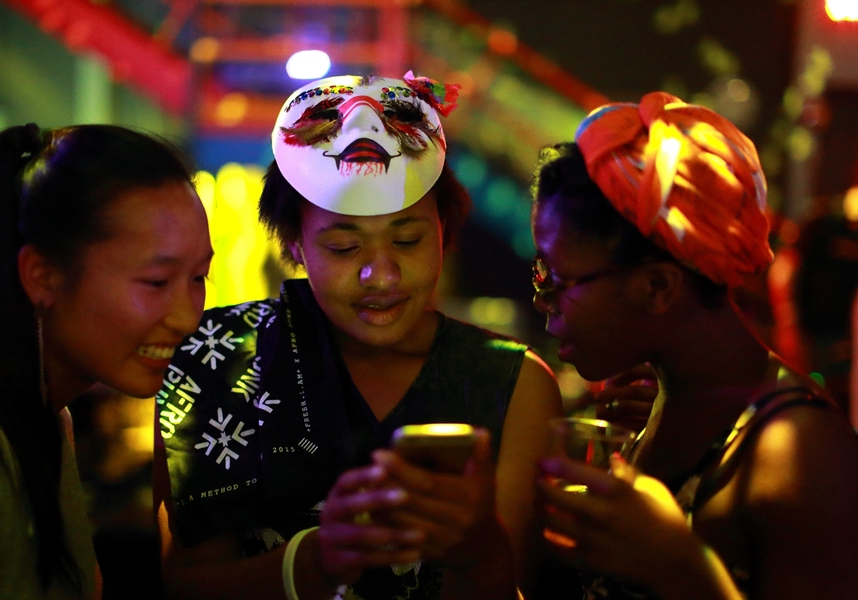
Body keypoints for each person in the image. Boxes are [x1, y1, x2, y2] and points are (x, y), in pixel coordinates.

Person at [154, 72, 563, 600]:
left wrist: (480, 552)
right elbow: (184, 583)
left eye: (409, 240)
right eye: (345, 248)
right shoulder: (219, 356)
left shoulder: (513, 383)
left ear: (445, 230)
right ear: (294, 244)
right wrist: (315, 561)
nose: (382, 275)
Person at [530, 92, 858, 599]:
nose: (543, 300)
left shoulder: (799, 456)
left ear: (658, 287)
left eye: (558, 278)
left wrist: (681, 566)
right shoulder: (650, 406)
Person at [0, 124, 213, 599]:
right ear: (44, 275)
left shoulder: (47, 419)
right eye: (156, 282)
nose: (186, 318)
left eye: (198, 277)